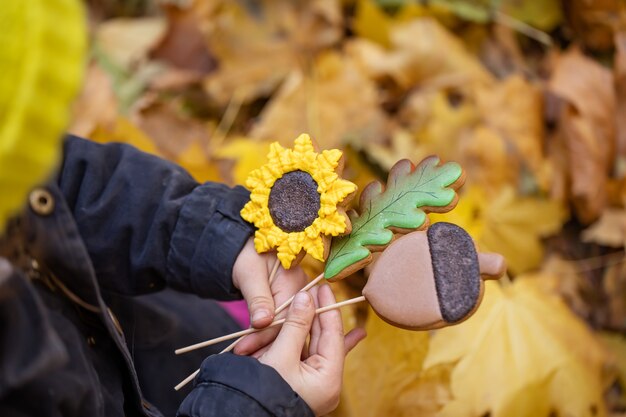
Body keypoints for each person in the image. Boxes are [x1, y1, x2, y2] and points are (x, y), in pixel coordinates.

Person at [0, 1, 365, 416]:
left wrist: (215, 236)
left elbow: (72, 181)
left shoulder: (17, 154)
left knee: (212, 337)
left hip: (123, 321)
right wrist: (257, 407)